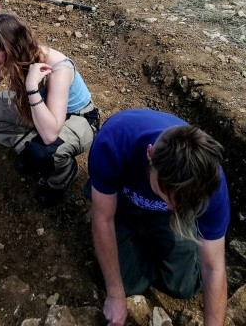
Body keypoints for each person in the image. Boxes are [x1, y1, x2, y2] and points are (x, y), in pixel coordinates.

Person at [87, 109, 230, 326]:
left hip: (168, 221)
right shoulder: (114, 141)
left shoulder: (209, 183)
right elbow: (103, 219)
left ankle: (150, 248)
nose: (171, 206)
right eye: (166, 194)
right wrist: (115, 295)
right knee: (126, 286)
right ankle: (138, 246)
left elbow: (213, 266)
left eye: (181, 202)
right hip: (122, 207)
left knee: (183, 286)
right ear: (150, 154)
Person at [0, 11, 100, 207]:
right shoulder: (6, 57)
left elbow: (51, 134)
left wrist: (31, 87)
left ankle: (62, 176)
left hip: (77, 118)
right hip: (33, 106)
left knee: (41, 153)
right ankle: (27, 142)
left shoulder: (58, 69)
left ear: (8, 48)